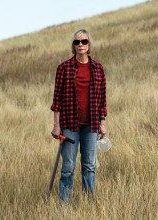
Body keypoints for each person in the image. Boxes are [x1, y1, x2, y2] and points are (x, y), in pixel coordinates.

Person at [51, 29, 107, 204]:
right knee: (68, 167)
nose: (80, 45)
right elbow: (57, 99)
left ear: (89, 45)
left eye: (84, 42)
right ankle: (64, 204)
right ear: (73, 46)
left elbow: (102, 98)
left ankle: (88, 202)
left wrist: (102, 123)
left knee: (89, 166)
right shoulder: (64, 68)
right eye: (77, 42)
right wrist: (56, 125)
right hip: (69, 124)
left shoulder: (98, 68)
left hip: (91, 124)